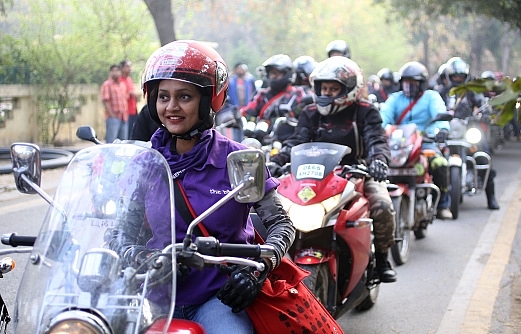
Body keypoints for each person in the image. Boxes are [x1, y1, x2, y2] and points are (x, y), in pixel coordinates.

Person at [134, 40, 295, 333]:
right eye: (163, 97)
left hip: (217, 296)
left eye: (184, 97)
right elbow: (121, 231)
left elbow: (282, 225)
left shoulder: (239, 160)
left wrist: (258, 271)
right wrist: (147, 261)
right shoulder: (144, 162)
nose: (171, 107)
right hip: (153, 297)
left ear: (209, 101)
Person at [269, 56, 397, 283]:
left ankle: (382, 259)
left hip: (358, 173)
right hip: (312, 175)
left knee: (383, 207)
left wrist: (378, 161)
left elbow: (376, 140)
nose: (326, 94)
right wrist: (276, 161)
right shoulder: (310, 112)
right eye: (323, 88)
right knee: (274, 206)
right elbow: (295, 143)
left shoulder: (365, 111)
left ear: (349, 89)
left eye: (333, 89)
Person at [379, 61, 454, 219]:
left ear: (422, 83)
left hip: (425, 141)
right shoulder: (395, 99)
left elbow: (440, 115)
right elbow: (383, 116)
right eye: (406, 82)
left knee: (440, 164)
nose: (409, 85)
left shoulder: (431, 97)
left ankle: (442, 204)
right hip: (397, 144)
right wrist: (378, 128)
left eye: (413, 82)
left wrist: (441, 130)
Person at [439, 57, 499, 210]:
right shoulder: (441, 92)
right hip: (446, 132)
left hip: (468, 130)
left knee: (484, 155)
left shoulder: (472, 92)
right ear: (449, 77)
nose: (458, 79)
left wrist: (485, 113)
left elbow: (483, 105)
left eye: (460, 76)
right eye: (455, 77)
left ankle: (491, 197)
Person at [240, 54, 309, 143]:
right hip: (263, 142)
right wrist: (238, 118)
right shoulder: (262, 95)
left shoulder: (297, 94)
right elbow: (248, 112)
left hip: (290, 141)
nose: (273, 76)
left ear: (287, 74)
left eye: (277, 73)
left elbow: (305, 114)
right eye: (271, 73)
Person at [101, 64, 129, 143]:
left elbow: (125, 99)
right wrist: (112, 116)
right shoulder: (107, 85)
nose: (115, 73)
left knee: (123, 143)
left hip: (124, 117)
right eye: (113, 71)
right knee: (111, 142)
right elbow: (105, 100)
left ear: (120, 72)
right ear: (110, 73)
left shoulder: (122, 85)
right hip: (113, 118)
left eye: (117, 70)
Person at [120, 59, 138, 137]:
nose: (130, 68)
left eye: (130, 66)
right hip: (125, 113)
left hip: (133, 111)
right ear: (122, 68)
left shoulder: (129, 80)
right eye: (127, 66)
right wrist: (130, 93)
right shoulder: (120, 81)